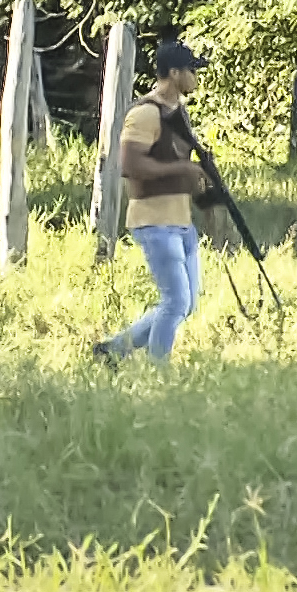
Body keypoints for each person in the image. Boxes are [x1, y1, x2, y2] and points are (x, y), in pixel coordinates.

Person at [94, 38, 213, 368]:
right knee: (175, 302)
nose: (195, 78)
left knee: (186, 305)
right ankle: (158, 375)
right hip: (154, 221)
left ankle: (114, 350)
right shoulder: (146, 113)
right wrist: (184, 168)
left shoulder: (178, 112)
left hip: (181, 221)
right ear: (174, 73)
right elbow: (131, 166)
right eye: (191, 71)